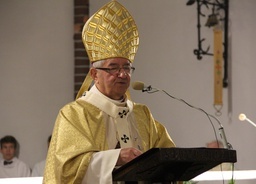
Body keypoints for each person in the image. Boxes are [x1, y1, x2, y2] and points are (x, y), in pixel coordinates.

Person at [43, 1, 175, 183]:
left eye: (127, 67)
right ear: (94, 74)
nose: (122, 74)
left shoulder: (142, 114)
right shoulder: (74, 114)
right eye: (113, 68)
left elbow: (169, 159)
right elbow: (66, 169)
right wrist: (116, 158)